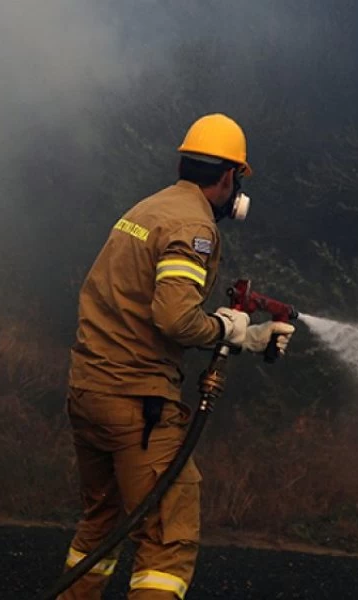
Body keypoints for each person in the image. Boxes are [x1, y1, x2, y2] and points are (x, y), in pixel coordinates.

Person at [58, 113, 296, 599]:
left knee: (101, 524)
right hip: (136, 402)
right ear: (230, 176)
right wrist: (226, 330)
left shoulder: (149, 209)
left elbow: (146, 301)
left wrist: (239, 334)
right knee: (168, 539)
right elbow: (173, 318)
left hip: (89, 390)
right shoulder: (194, 227)